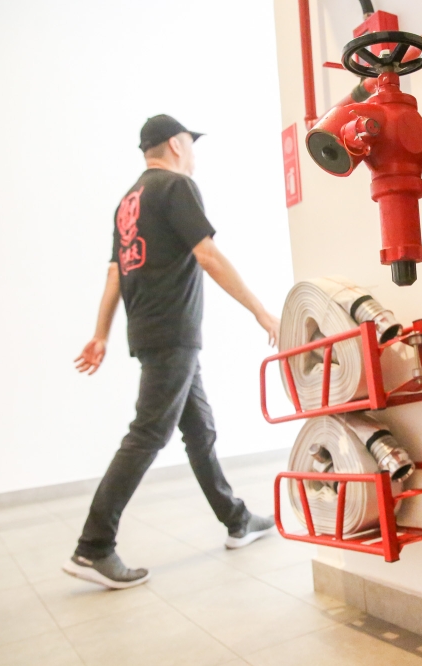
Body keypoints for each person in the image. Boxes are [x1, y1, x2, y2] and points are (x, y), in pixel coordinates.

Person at [64, 115, 281, 589]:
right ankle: (93, 546)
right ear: (175, 144)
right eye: (191, 142)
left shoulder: (129, 200)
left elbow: (114, 275)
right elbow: (207, 256)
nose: (194, 152)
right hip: (173, 331)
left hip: (150, 330)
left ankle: (236, 520)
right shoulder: (175, 187)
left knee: (199, 430)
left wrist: (100, 334)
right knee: (148, 434)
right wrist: (261, 312)